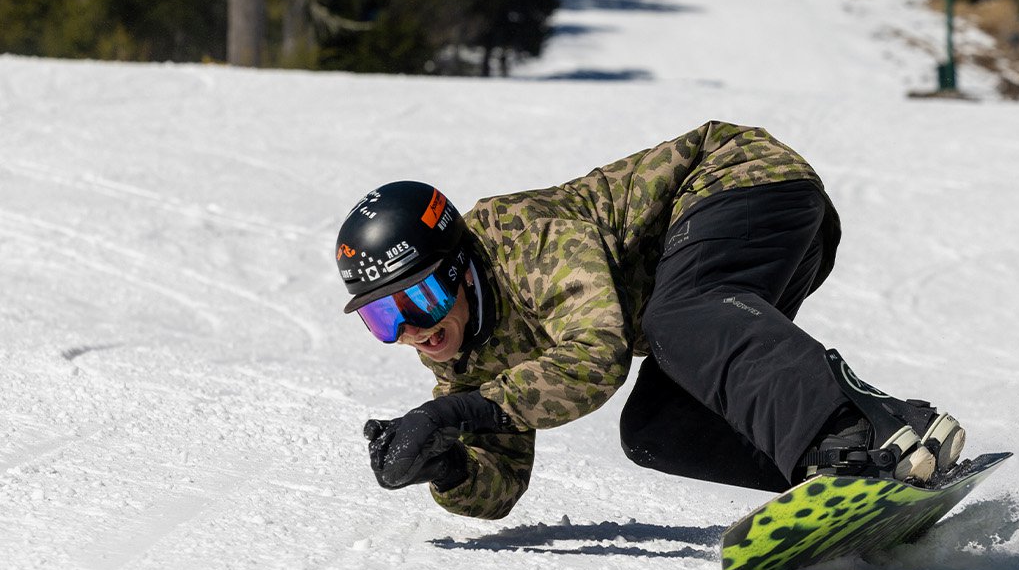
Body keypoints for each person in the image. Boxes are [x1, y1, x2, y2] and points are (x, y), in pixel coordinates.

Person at [338, 121, 965, 520]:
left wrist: (454, 414)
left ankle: (847, 433)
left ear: (459, 267)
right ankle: (868, 455)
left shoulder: (523, 240)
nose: (411, 331)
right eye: (381, 319)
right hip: (720, 277)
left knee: (675, 318)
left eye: (414, 300)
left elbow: (597, 356)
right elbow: (499, 481)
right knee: (657, 431)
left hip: (742, 181)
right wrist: (446, 464)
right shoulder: (458, 350)